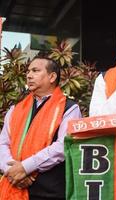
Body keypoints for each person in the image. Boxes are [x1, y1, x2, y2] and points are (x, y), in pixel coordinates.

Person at [0, 56, 82, 199]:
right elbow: (3, 143)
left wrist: (25, 167)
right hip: (14, 185)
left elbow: (64, 146)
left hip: (50, 192)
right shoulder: (16, 109)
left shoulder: (69, 108)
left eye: (35, 71)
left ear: (52, 77)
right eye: (28, 72)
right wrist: (12, 171)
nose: (29, 75)